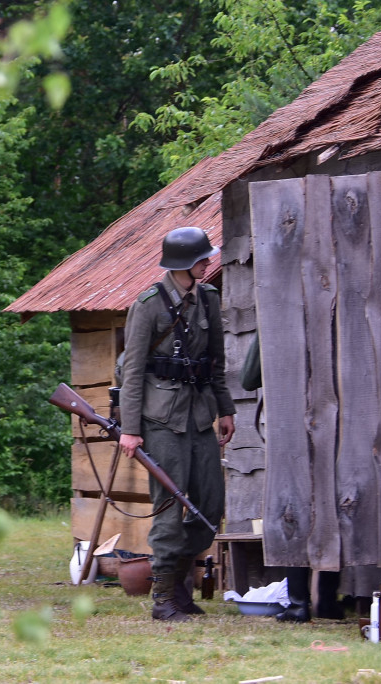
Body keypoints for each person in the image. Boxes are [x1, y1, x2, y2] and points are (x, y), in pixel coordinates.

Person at [118, 227, 235, 622]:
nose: (208, 262)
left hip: (200, 416)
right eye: (203, 258)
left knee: (209, 507)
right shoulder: (149, 304)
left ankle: (180, 591)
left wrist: (226, 410)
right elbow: (132, 372)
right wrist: (130, 429)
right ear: (186, 263)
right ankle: (165, 599)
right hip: (161, 420)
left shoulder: (208, 299)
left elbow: (215, 363)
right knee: (170, 508)